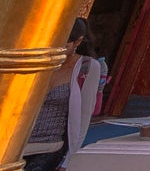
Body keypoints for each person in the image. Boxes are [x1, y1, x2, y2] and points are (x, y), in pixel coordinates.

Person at [22, 18, 102, 171]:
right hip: (16, 146)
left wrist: (69, 159)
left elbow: (84, 116)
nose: (57, 49)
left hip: (50, 147)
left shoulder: (87, 67)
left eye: (63, 44)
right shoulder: (39, 61)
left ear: (77, 42)